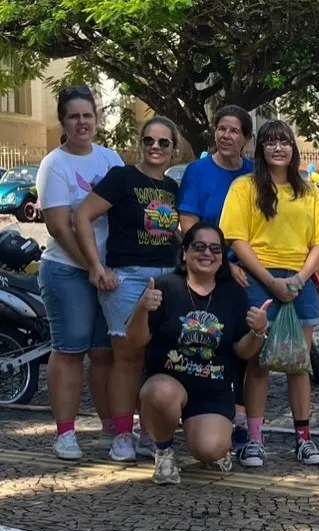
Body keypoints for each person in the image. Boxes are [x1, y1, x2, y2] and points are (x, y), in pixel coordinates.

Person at [219, 120, 319, 467]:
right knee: (259, 362)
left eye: (284, 142)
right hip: (258, 280)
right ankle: (254, 439)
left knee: (299, 364)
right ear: (261, 149)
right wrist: (270, 281)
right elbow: (236, 238)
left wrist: (298, 279)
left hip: (300, 282)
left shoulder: (308, 191)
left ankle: (304, 439)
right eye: (270, 142)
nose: (278, 148)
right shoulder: (245, 187)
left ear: (293, 147)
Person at [127, 223, 271, 484]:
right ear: (184, 252)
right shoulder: (164, 286)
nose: (207, 253)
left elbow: (242, 349)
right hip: (168, 380)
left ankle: (218, 443)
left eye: (215, 248)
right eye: (199, 246)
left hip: (213, 389)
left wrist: (259, 332)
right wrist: (142, 309)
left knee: (209, 449)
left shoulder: (233, 294)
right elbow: (136, 339)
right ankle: (164, 450)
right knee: (159, 394)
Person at [74, 116, 181, 463]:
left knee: (157, 357)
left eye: (164, 143)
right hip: (127, 277)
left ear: (173, 150)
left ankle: (150, 433)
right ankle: (122, 434)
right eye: (149, 140)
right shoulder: (122, 178)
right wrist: (96, 266)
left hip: (165, 277)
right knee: (127, 358)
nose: (155, 147)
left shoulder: (171, 189)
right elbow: (83, 215)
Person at [37, 85, 123, 461]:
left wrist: (108, 268)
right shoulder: (55, 164)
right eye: (74, 116)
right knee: (70, 350)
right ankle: (66, 433)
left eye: (87, 115)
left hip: (108, 273)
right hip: (69, 270)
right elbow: (59, 225)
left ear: (96, 119)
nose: (82, 122)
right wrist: (92, 266)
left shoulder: (110, 159)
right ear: (63, 121)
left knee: (106, 354)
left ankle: (110, 428)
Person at [177, 105, 255, 454]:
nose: (226, 136)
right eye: (221, 129)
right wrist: (220, 264)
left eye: (234, 131)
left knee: (245, 349)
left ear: (246, 140)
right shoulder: (198, 171)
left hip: (247, 271)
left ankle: (241, 420)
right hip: (210, 268)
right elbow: (188, 223)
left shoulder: (254, 173)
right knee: (204, 342)